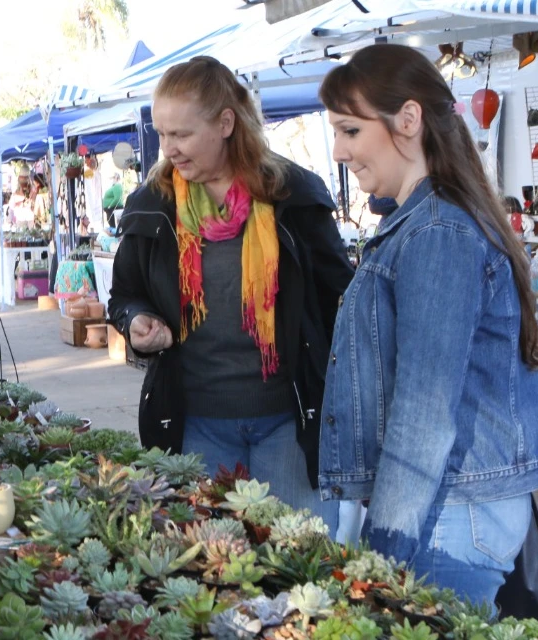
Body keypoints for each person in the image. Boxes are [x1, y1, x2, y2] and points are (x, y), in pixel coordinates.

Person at [318, 43, 538, 608]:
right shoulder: (424, 222)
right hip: (446, 506)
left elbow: (426, 410)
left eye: (350, 130)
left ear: (409, 119)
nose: (339, 149)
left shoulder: (436, 233)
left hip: (445, 513)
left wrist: (386, 548)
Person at [107, 56, 353, 534]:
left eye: (181, 134)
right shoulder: (151, 203)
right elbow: (124, 294)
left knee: (298, 558)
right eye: (162, 134)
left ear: (225, 123)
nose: (169, 149)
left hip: (290, 423)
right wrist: (136, 322)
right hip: (194, 422)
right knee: (212, 567)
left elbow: (339, 299)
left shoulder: (294, 194)